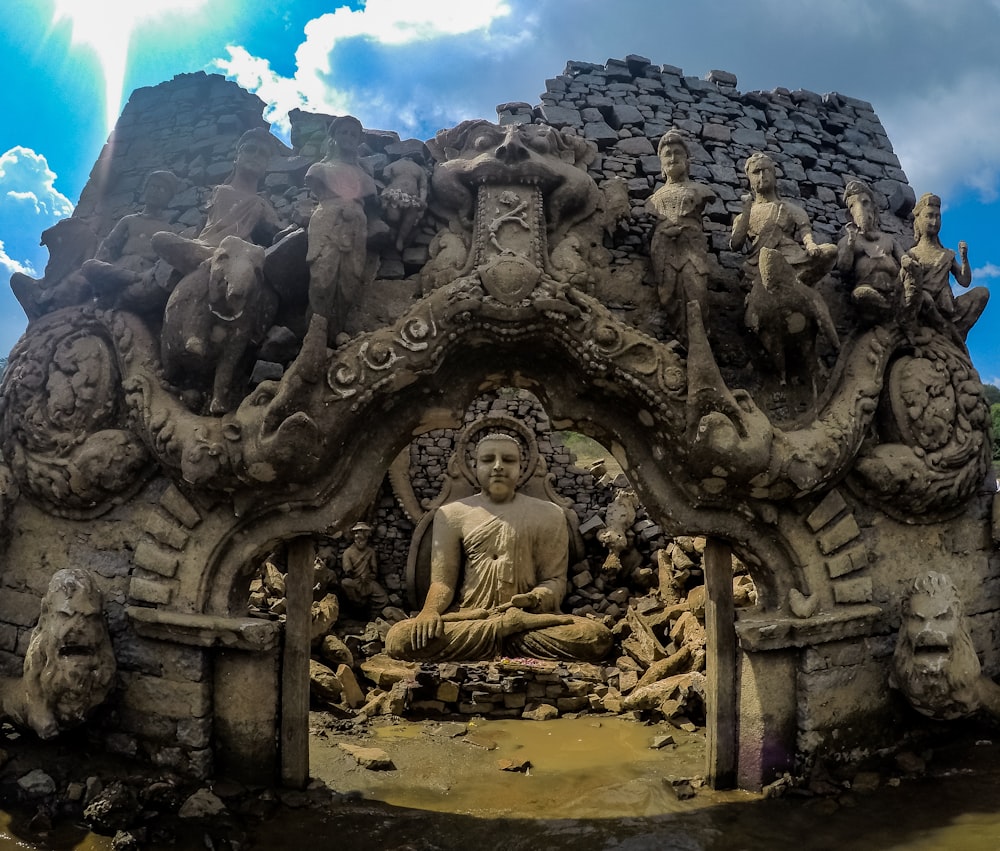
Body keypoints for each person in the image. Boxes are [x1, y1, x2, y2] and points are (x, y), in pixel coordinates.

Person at [385, 433, 613, 662]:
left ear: (522, 467)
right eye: (487, 460)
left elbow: (554, 581)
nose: (498, 467)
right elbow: (442, 583)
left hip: (529, 619)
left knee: (595, 637)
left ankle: (507, 629)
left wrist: (534, 598)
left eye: (508, 460)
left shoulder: (550, 514)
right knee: (399, 638)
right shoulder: (452, 514)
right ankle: (505, 629)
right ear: (473, 467)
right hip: (470, 617)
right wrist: (429, 612)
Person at [152, 128, 282, 277]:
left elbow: (278, 230)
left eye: (263, 153)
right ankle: (212, 256)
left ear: (266, 166)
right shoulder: (219, 191)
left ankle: (217, 257)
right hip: (205, 245)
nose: (256, 156)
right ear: (237, 156)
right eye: (250, 149)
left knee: (238, 250)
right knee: (161, 238)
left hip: (237, 249)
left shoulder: (260, 203)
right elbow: (205, 227)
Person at [305, 115, 384, 344]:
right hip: (328, 218)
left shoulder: (365, 178)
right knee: (322, 275)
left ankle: (337, 329)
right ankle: (315, 330)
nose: (348, 137)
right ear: (334, 136)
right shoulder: (319, 169)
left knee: (351, 278)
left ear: (359, 140)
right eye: (344, 132)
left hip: (356, 224)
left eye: (353, 134)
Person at [646, 130, 715, 341]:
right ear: (661, 163)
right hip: (664, 249)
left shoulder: (700, 190)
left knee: (697, 294)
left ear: (687, 159)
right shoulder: (653, 200)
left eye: (678, 152)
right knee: (668, 296)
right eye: (667, 154)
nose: (673, 158)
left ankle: (699, 340)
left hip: (691, 247)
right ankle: (680, 340)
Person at [731, 151, 837, 287]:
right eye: (756, 172)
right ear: (749, 178)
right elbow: (735, 245)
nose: (762, 176)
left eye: (767, 170)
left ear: (774, 175)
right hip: (760, 261)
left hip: (791, 257)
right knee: (764, 266)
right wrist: (746, 211)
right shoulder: (744, 215)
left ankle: (793, 279)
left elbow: (805, 229)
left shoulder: (787, 207)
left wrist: (810, 244)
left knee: (830, 250)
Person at [82, 170, 179, 312]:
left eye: (162, 189)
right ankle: (130, 280)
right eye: (152, 186)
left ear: (169, 198)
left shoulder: (168, 229)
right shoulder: (129, 220)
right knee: (89, 265)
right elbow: (107, 246)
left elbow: (165, 261)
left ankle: (122, 290)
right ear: (145, 189)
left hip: (146, 273)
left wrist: (151, 273)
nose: (155, 191)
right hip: (120, 269)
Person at [904, 192, 988, 339]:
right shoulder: (912, 254)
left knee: (982, 293)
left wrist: (964, 258)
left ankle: (952, 329)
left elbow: (964, 281)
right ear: (918, 220)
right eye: (929, 216)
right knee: (924, 298)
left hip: (948, 307)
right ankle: (944, 330)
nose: (934, 221)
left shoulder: (947, 254)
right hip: (925, 306)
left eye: (937, 216)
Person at [836, 179, 906, 320]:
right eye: (852, 206)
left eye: (865, 202)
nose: (860, 208)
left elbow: (904, 258)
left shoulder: (889, 239)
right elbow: (843, 267)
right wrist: (850, 243)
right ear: (849, 215)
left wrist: (909, 264)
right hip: (868, 287)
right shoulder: (848, 240)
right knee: (860, 295)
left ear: (874, 209)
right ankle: (893, 314)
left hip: (896, 286)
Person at [380, 152, 428, 252]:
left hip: (412, 198)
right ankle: (393, 229)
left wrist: (422, 200)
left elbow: (423, 187)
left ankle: (400, 239)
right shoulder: (394, 165)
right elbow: (386, 176)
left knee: (409, 219)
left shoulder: (419, 169)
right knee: (393, 217)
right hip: (395, 194)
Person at [341, 521, 388, 609]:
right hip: (355, 582)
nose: (360, 542)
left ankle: (374, 612)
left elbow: (374, 571)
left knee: (384, 598)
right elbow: (348, 571)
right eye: (358, 539)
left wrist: (368, 576)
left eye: (363, 540)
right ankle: (356, 603)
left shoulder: (370, 552)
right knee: (345, 583)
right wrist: (356, 575)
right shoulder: (348, 553)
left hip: (368, 582)